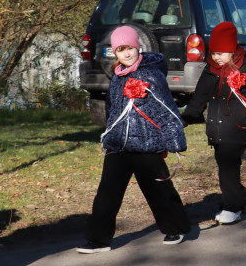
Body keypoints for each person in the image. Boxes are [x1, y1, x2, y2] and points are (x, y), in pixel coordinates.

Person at [79, 25, 190, 252]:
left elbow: (166, 109)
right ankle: (99, 240)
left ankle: (175, 227)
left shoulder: (151, 74)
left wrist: (175, 140)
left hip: (147, 143)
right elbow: (113, 111)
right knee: (106, 194)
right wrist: (109, 137)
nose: (127, 53)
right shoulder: (117, 77)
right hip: (119, 145)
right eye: (121, 49)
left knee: (159, 190)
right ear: (115, 53)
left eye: (130, 48)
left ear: (137, 47)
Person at [182, 21, 246, 225]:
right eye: (214, 53)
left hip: (239, 125)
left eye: (221, 53)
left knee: (228, 166)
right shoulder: (210, 69)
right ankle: (239, 196)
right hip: (217, 127)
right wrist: (187, 117)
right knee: (224, 164)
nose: (216, 57)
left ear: (232, 51)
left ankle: (233, 206)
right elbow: (200, 97)